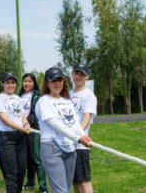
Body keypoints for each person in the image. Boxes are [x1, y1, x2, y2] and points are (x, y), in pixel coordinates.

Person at [35, 67, 92, 193]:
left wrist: (83, 135)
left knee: (66, 189)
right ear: (47, 83)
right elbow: (54, 124)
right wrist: (78, 138)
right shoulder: (43, 101)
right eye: (53, 80)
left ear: (63, 81)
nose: (57, 84)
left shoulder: (67, 101)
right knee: (61, 191)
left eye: (60, 80)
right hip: (52, 148)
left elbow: (74, 123)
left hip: (70, 149)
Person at [0, 72, 31, 193]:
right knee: (12, 172)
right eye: (7, 83)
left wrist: (26, 124)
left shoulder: (17, 98)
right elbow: (5, 120)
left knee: (21, 170)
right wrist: (22, 128)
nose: (10, 85)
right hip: (6, 137)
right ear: (3, 84)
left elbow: (22, 116)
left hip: (20, 137)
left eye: (13, 82)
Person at [18, 73, 48, 193]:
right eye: (25, 81)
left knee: (36, 159)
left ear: (34, 83)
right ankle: (30, 182)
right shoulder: (18, 96)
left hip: (33, 130)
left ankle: (43, 187)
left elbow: (37, 114)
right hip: (20, 130)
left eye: (30, 81)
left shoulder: (38, 97)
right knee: (26, 159)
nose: (27, 83)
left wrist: (27, 123)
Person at [70, 62, 97, 193]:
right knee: (75, 181)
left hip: (80, 144)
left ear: (87, 77)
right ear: (72, 74)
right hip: (68, 144)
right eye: (76, 73)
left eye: (82, 74)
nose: (78, 77)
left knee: (84, 181)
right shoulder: (66, 95)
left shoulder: (89, 95)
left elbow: (86, 118)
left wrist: (77, 135)